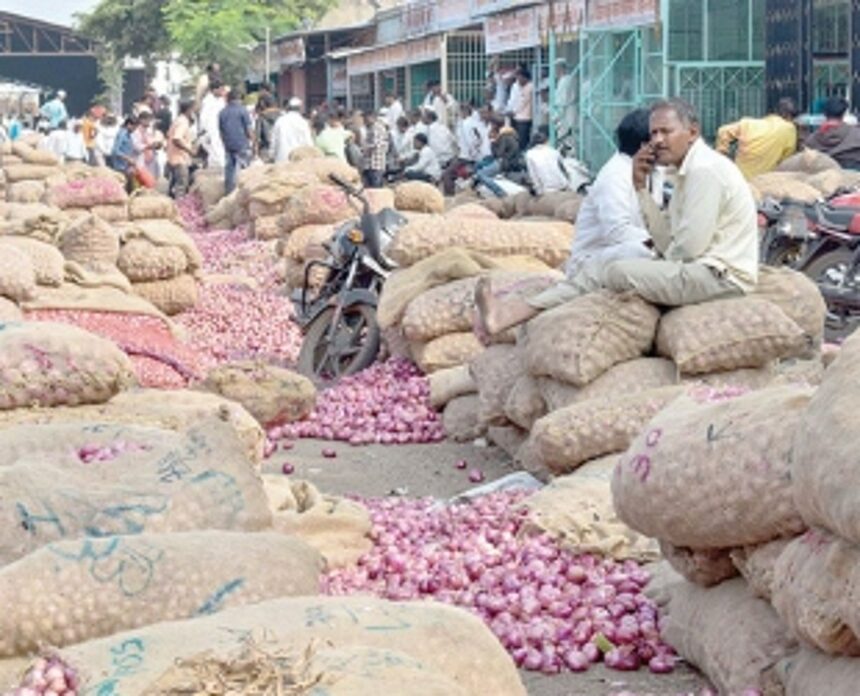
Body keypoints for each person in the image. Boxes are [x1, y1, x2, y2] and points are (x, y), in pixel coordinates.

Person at [476, 100, 758, 334]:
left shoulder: (704, 171)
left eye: (666, 132)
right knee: (607, 267)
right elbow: (667, 241)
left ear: (693, 132)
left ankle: (513, 313)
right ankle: (511, 313)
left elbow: (686, 250)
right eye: (654, 133)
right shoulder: (676, 173)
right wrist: (639, 188)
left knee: (615, 270)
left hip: (718, 277)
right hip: (692, 267)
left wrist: (650, 260)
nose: (658, 141)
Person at [716, 98, 798, 179]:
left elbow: (722, 131)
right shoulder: (789, 129)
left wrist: (723, 154)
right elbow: (785, 162)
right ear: (789, 115)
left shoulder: (748, 124)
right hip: (764, 181)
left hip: (740, 179)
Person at [804, 96, 860, 170]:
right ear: (844, 113)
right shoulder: (856, 135)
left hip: (821, 178)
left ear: (824, 113)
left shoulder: (811, 140)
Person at [440, 102, 483, 195]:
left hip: (465, 157)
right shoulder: (472, 122)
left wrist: (471, 154)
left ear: (464, 111)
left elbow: (470, 141)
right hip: (469, 156)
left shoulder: (466, 124)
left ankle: (449, 196)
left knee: (447, 174)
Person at [474, 120, 524, 198]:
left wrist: (493, 143)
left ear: (496, 132)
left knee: (481, 174)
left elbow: (498, 154)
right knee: (479, 164)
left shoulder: (504, 138)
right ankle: (477, 185)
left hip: (504, 163)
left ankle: (500, 193)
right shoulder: (509, 136)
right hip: (505, 161)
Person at [219, 86, 253, 194]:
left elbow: (221, 132)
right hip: (242, 144)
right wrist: (254, 143)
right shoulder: (243, 111)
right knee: (244, 170)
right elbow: (248, 130)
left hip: (228, 146)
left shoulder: (222, 112)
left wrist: (225, 143)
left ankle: (229, 193)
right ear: (239, 98)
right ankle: (244, 193)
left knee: (229, 170)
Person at [166, 100, 196, 197]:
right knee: (181, 187)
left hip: (173, 158)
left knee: (173, 188)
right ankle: (179, 209)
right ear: (189, 110)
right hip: (180, 159)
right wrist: (190, 151)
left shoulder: (177, 120)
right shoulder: (183, 122)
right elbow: (176, 139)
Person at [270, 97, 313, 163]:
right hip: (298, 160)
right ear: (300, 109)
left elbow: (274, 141)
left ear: (288, 108)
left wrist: (271, 155)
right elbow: (308, 143)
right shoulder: (303, 122)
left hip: (281, 159)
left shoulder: (280, 121)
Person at [199, 80, 227, 169]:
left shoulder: (221, 100)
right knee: (215, 151)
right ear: (214, 90)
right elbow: (203, 118)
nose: (223, 91)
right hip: (210, 130)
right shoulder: (207, 101)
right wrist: (205, 132)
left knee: (220, 151)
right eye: (221, 89)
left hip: (220, 129)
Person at [110, 116, 141, 190]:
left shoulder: (128, 134)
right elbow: (115, 150)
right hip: (120, 166)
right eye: (134, 127)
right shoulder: (122, 134)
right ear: (129, 125)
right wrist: (127, 158)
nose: (134, 130)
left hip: (126, 165)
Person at [362, 111, 389, 188]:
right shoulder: (370, 128)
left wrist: (365, 148)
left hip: (376, 164)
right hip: (370, 164)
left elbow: (376, 144)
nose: (364, 121)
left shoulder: (377, 128)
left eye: (365, 118)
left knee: (375, 189)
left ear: (371, 118)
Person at [511, 68, 534, 150]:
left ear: (525, 78)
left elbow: (522, 103)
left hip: (524, 118)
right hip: (520, 117)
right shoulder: (524, 87)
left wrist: (514, 111)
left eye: (519, 78)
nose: (518, 81)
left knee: (522, 141)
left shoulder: (529, 87)